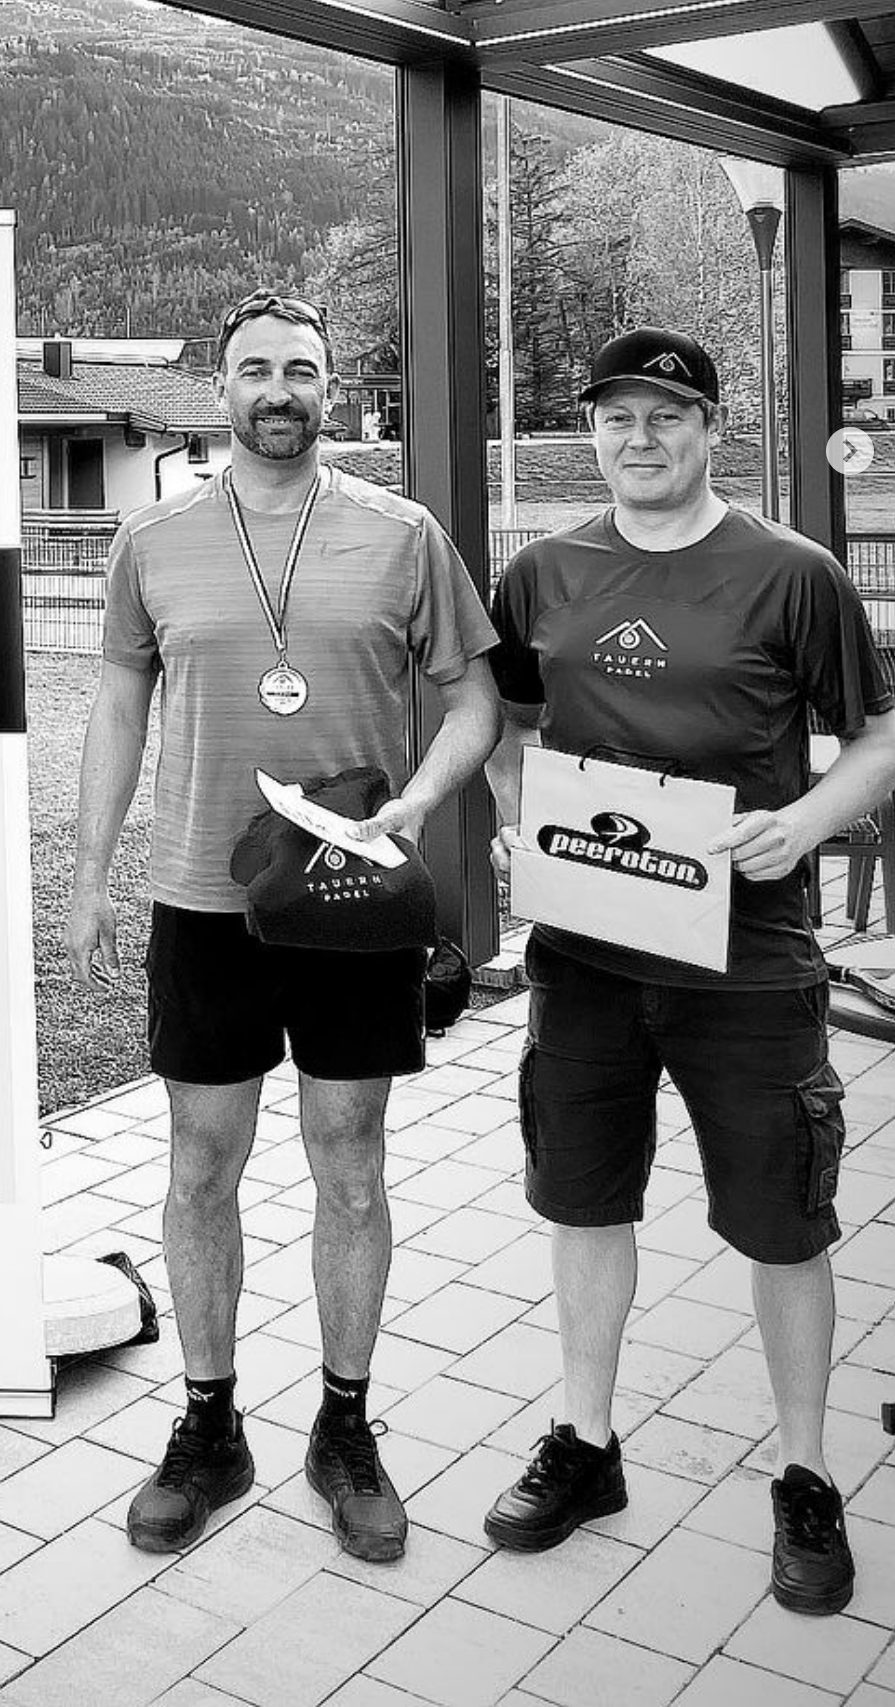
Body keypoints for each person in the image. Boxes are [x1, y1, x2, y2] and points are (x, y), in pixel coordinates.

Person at [69, 290, 500, 1560]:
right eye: (254, 368)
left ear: (329, 386)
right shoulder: (150, 538)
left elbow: (474, 702)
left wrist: (416, 805)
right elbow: (114, 708)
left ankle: (343, 1426)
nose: (277, 390)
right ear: (219, 387)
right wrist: (89, 875)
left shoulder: (401, 533)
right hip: (204, 899)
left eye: (299, 370)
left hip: (350, 904)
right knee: (199, 1162)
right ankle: (208, 1426)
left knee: (349, 1158)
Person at [483, 325, 895, 1615]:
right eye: (615, 415)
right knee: (581, 1201)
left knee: (783, 1221)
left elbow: (876, 736)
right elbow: (503, 720)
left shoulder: (791, 573)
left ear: (712, 428)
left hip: (748, 961)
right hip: (584, 958)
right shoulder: (539, 573)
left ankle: (803, 1474)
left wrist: (805, 822)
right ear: (590, 430)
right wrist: (511, 815)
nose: (639, 436)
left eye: (666, 414)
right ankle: (585, 1442)